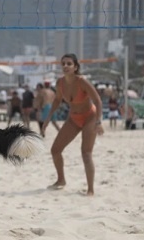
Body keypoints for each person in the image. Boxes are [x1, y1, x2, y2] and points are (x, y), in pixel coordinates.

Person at [42, 53, 104, 196]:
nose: (65, 66)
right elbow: (57, 100)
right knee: (55, 150)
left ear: (75, 67)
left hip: (90, 117)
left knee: (86, 153)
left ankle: (90, 190)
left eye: (69, 64)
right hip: (74, 118)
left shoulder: (82, 81)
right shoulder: (60, 83)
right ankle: (61, 180)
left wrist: (99, 121)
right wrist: (48, 118)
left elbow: (98, 101)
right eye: (63, 63)